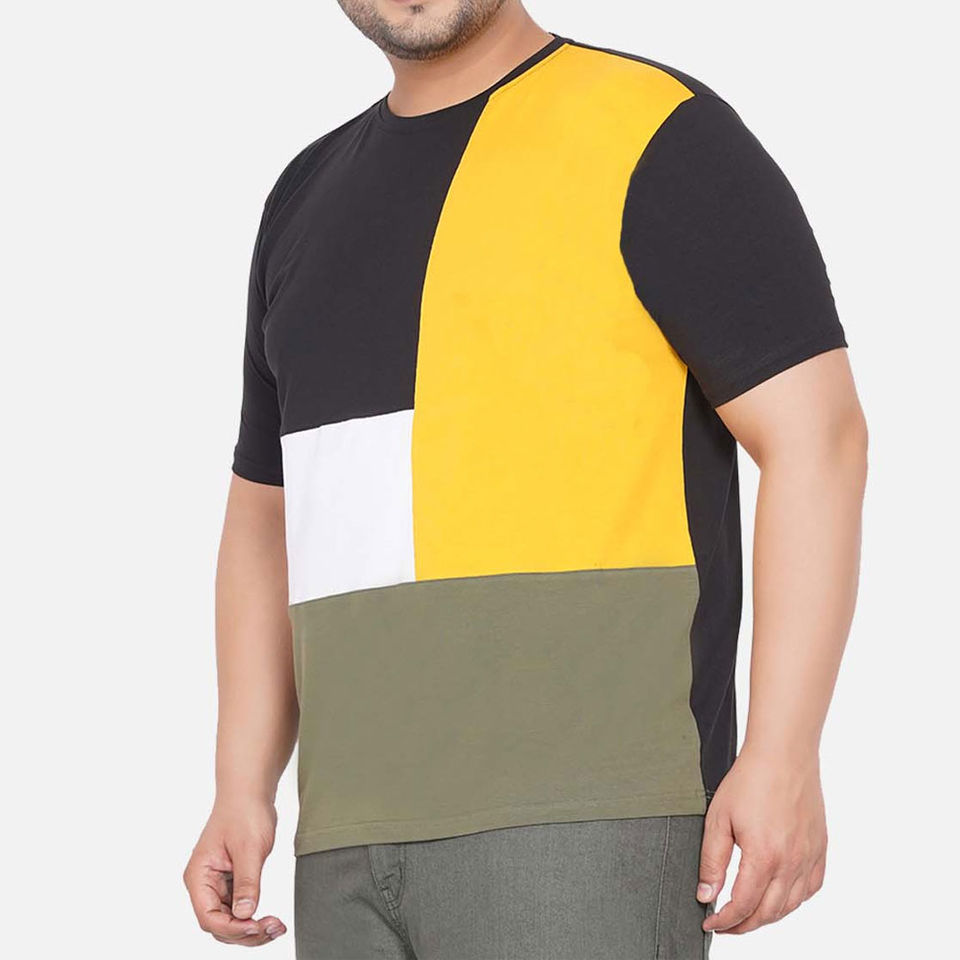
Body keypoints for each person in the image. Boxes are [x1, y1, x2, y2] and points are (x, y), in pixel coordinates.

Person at [183, 2, 867, 957]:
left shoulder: (656, 132)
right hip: (344, 837)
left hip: (588, 824)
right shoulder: (304, 197)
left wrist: (784, 753)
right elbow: (267, 513)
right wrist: (241, 785)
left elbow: (819, 438)